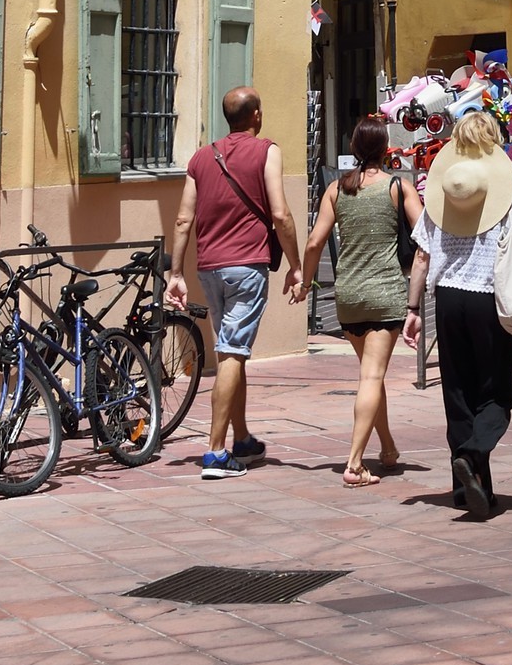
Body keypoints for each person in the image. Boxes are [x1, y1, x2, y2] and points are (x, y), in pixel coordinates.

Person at [402, 110, 512, 520]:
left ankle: (468, 488)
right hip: (487, 299)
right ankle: (474, 451)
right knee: (497, 391)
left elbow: (422, 258)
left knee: (457, 392)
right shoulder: (508, 187)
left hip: (447, 299)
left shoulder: (445, 188)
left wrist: (412, 309)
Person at [166, 86, 300, 478]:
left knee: (231, 349)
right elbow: (280, 212)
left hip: (210, 268)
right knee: (231, 352)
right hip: (248, 264)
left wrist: (175, 274)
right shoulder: (267, 151)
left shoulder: (201, 158)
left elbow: (182, 220)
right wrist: (296, 265)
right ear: (256, 115)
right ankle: (214, 452)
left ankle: (242, 438)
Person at [289, 117, 421, 487]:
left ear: (354, 149)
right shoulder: (399, 187)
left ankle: (389, 448)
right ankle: (354, 463)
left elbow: (315, 242)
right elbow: (426, 233)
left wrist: (304, 282)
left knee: (369, 375)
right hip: (385, 295)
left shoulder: (336, 189)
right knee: (372, 376)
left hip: (348, 297)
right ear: (385, 149)